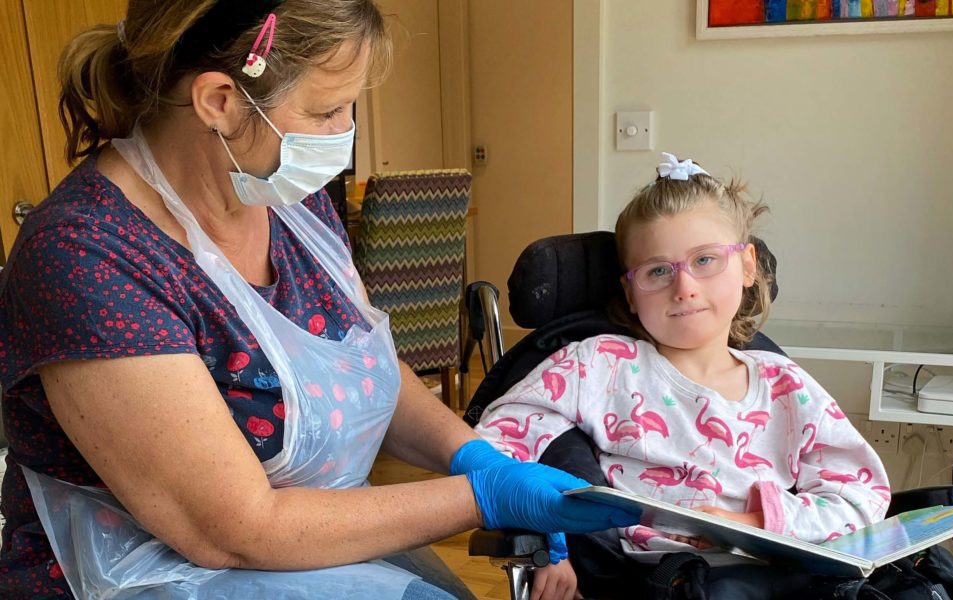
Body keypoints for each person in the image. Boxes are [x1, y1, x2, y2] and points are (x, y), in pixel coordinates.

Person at [0, 2, 639, 598]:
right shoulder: (87, 256)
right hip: (148, 569)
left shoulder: (287, 203)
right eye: (328, 111)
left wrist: (473, 454)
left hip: (300, 537)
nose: (346, 132)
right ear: (220, 101)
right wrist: (482, 500)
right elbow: (233, 530)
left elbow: (366, 371)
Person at [474, 153, 891, 600]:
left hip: (784, 573)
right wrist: (551, 543)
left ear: (748, 265)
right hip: (658, 581)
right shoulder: (600, 366)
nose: (684, 286)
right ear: (631, 292)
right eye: (657, 271)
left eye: (705, 260)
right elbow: (491, 447)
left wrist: (759, 523)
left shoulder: (786, 386)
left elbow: (861, 498)